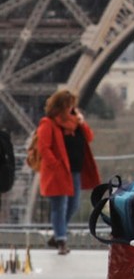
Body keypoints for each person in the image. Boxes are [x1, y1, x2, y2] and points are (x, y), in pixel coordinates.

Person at [34, 89, 100, 254]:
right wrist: (56, 165)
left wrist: (82, 122)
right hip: (58, 173)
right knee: (59, 206)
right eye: (69, 106)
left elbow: (89, 137)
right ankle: (62, 241)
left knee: (73, 205)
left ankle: (57, 235)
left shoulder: (76, 123)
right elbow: (43, 147)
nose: (72, 109)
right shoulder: (48, 123)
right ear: (60, 106)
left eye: (73, 106)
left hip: (75, 171)